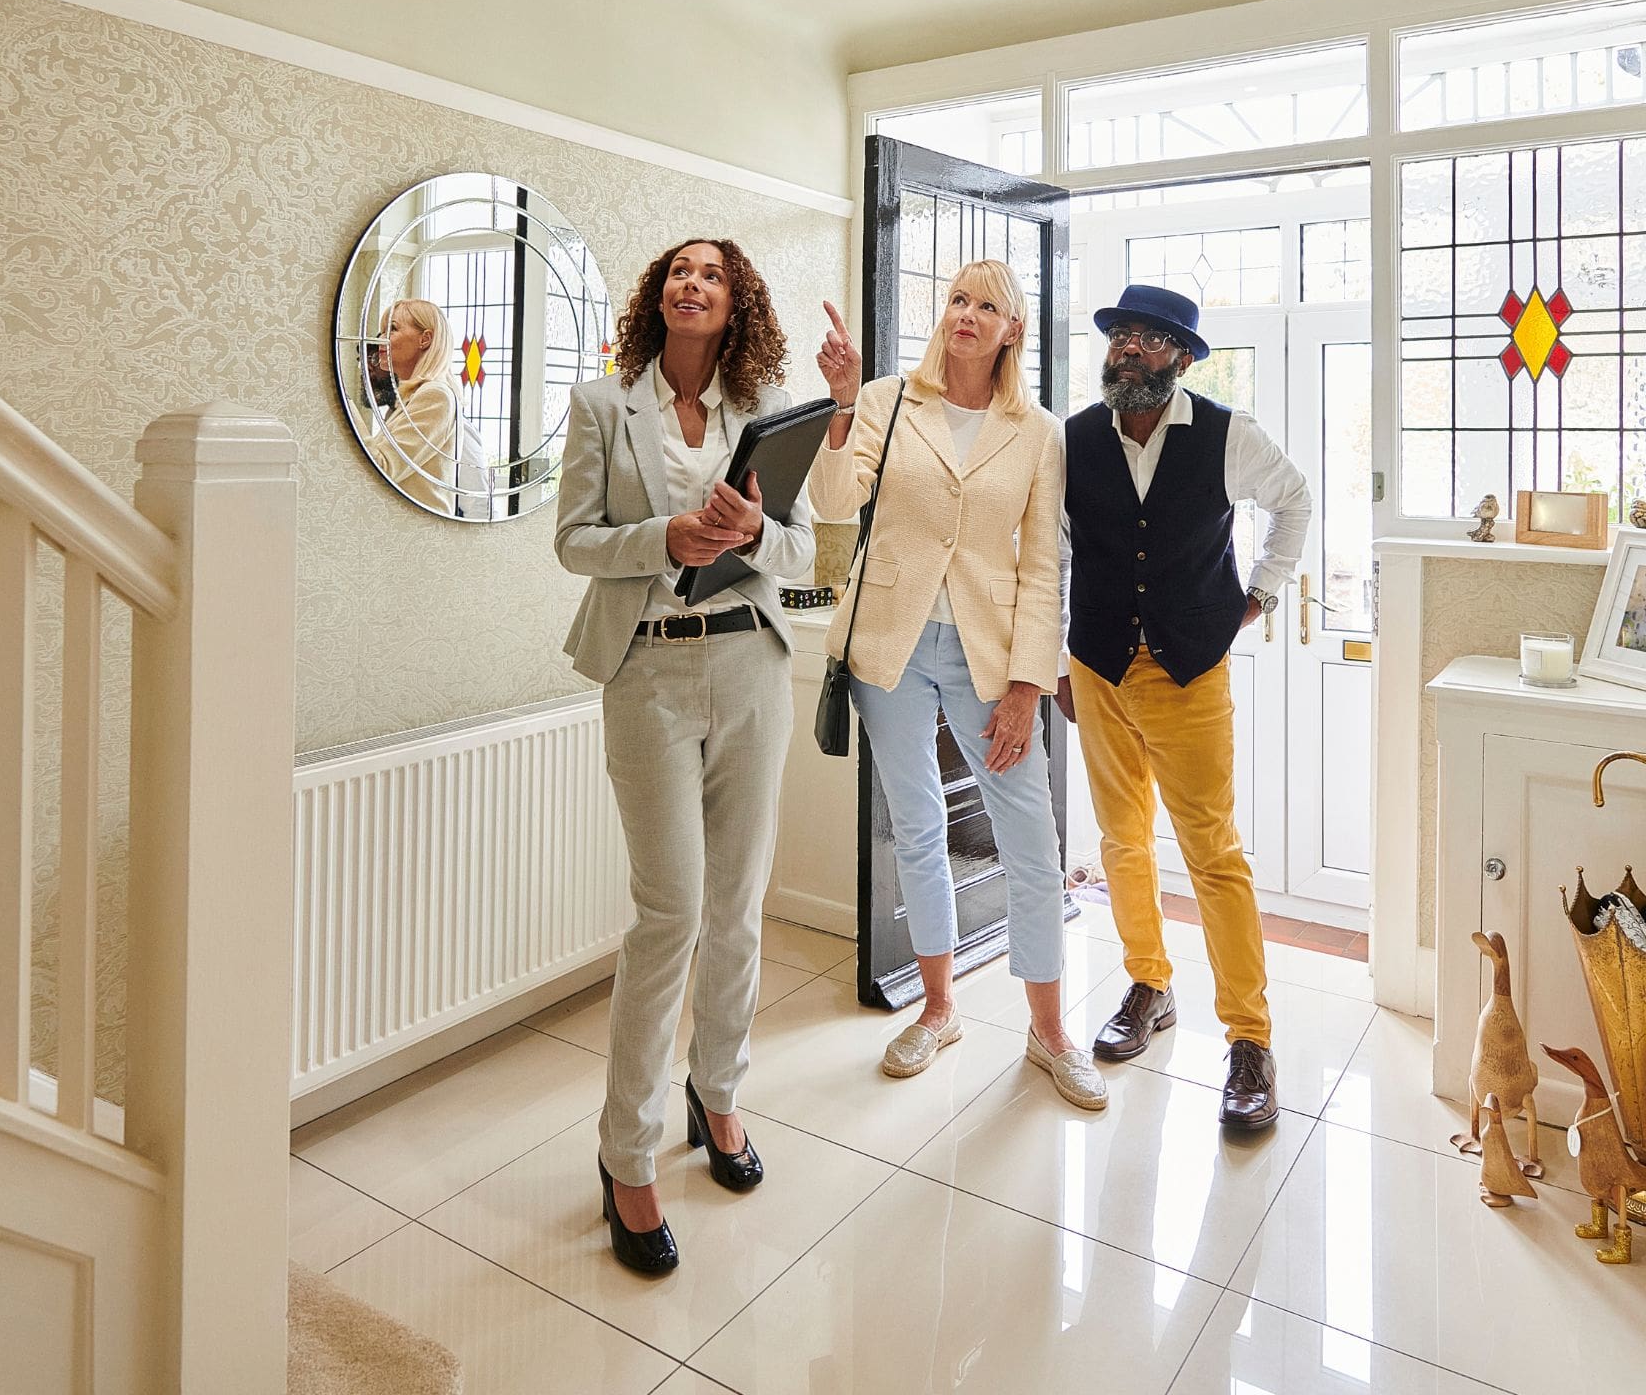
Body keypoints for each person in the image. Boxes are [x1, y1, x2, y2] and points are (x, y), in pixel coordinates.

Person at [555, 238, 814, 1275]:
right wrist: (664, 536)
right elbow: (573, 540)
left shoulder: (773, 412)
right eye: (677, 274)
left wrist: (752, 535)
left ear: (736, 299)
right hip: (648, 676)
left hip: (753, 669)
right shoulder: (602, 404)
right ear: (658, 300)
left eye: (711, 273)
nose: (691, 284)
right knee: (670, 914)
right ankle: (625, 1154)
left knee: (738, 906)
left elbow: (807, 552)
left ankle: (718, 1100)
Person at [810, 264, 1104, 1110]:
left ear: (1013, 329)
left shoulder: (1037, 431)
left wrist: (1027, 685)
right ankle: (938, 1010)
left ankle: (1050, 1032)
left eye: (986, 306)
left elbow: (1047, 563)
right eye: (956, 300)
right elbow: (834, 506)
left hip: (992, 654)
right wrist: (837, 402)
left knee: (1030, 840)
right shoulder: (887, 400)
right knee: (917, 827)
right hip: (888, 649)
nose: (965, 315)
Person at [1058, 283, 1311, 1131]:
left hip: (1189, 672)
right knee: (1121, 839)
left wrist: (1261, 596)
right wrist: (1056, 654)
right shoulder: (1076, 438)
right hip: (1095, 665)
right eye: (1120, 333)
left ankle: (1249, 1038)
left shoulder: (1228, 434)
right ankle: (1148, 984)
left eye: (1149, 338)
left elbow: (1296, 502)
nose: (1128, 347)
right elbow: (1051, 554)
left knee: (1213, 853)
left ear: (1184, 358)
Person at [363, 298, 460, 515]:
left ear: (425, 339)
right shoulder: (407, 399)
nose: (381, 341)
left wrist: (341, 408)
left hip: (417, 536)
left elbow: (382, 468)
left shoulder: (435, 396)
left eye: (392, 329)